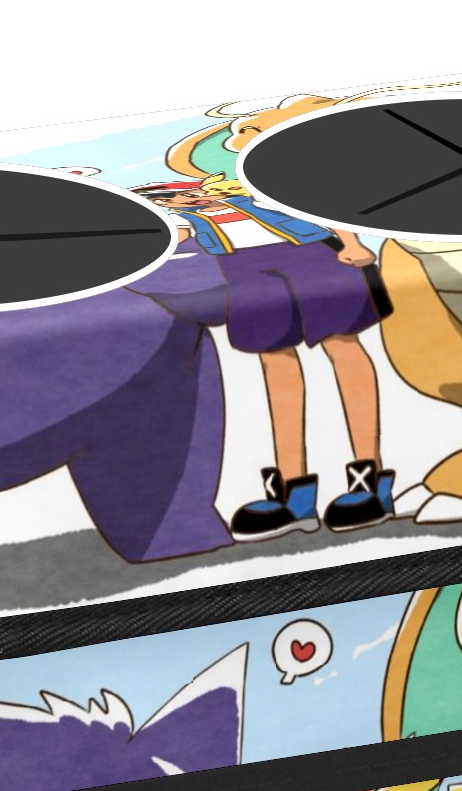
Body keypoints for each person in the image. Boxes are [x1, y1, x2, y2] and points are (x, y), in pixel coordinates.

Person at [136, 183, 396, 537]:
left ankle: (371, 480)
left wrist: (351, 243)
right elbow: (168, 241)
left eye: (186, 193)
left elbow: (319, 205)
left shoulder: (256, 197)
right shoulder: (183, 220)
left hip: (312, 255)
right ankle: (294, 493)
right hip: (244, 271)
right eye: (168, 199)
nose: (187, 199)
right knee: (275, 361)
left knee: (342, 346)